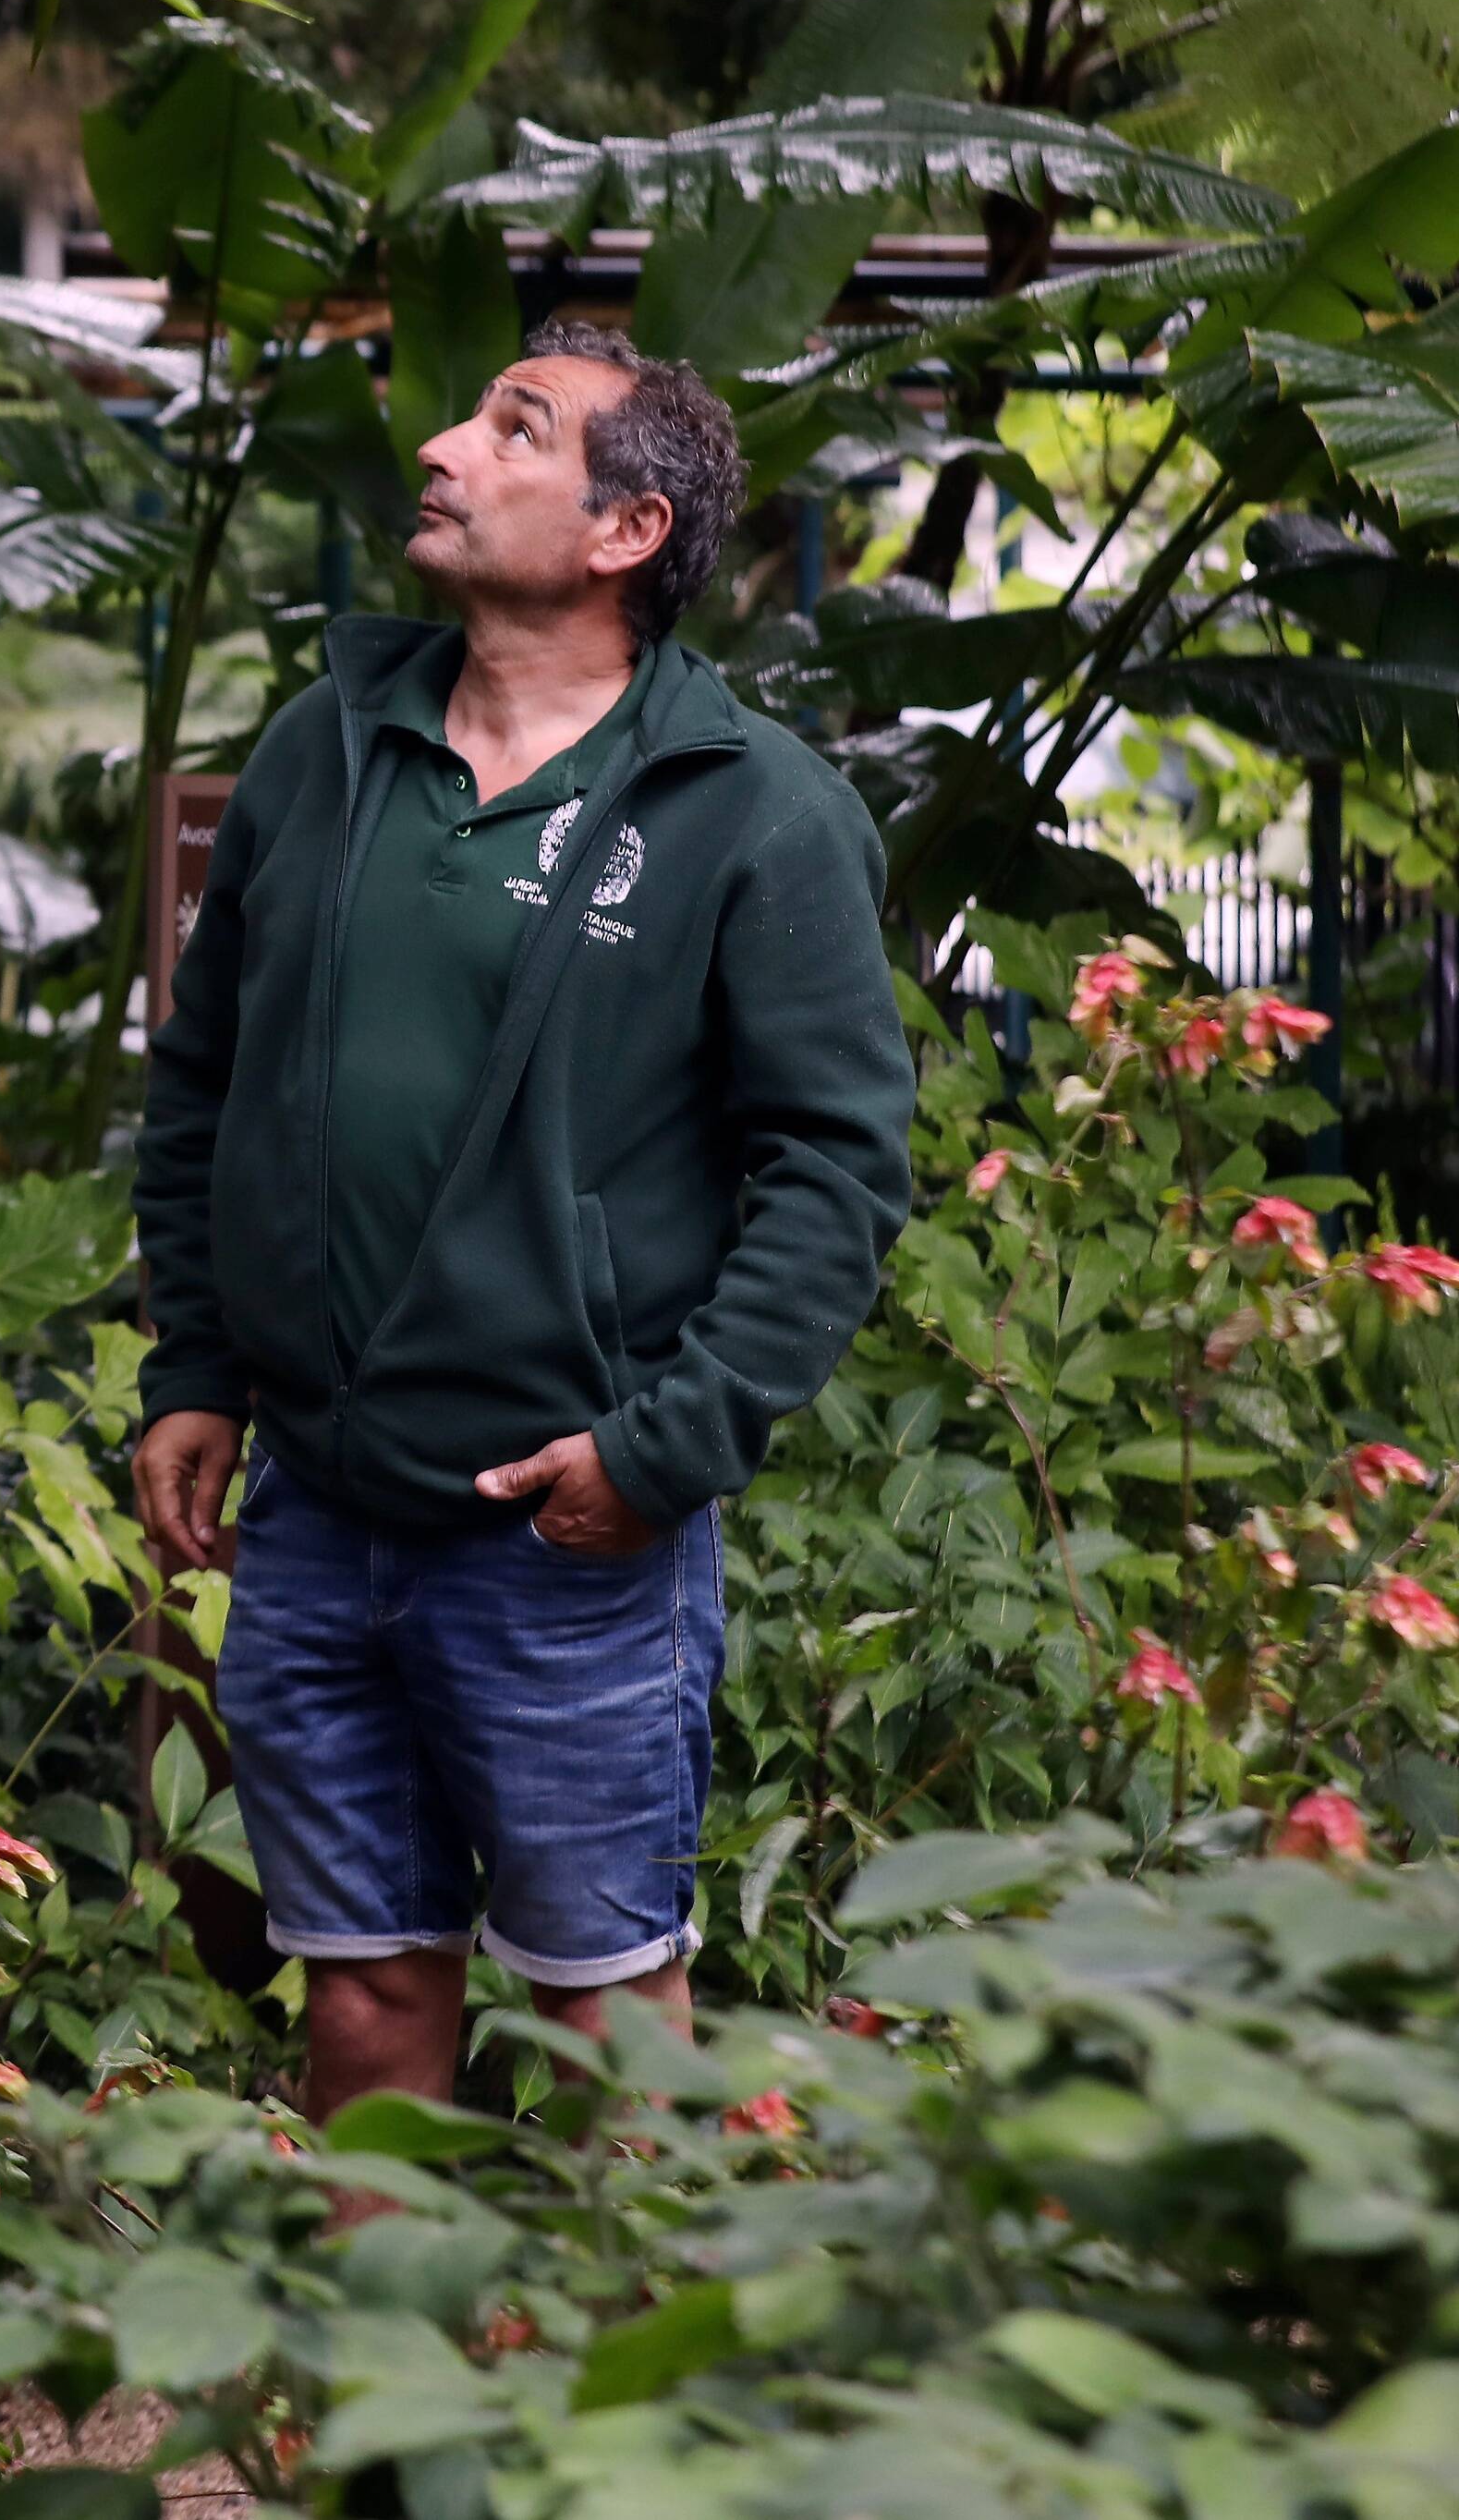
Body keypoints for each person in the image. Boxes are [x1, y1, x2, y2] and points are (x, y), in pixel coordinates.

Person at [129, 322, 917, 2115]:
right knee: (360, 2000)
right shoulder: (324, 752)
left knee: (607, 2016)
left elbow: (836, 1170)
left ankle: (634, 2309)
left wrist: (664, 1448)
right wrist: (198, 1365)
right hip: (314, 1512)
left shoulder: (754, 812)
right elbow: (207, 1079)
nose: (443, 444)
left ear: (626, 528)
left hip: (562, 1535)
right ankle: (381, 2314)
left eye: (514, 427)